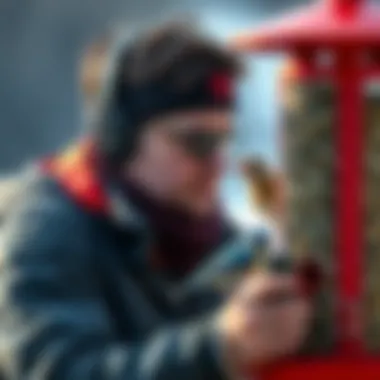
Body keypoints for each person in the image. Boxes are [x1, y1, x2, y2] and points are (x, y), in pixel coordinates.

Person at [0, 23, 312, 380]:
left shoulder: (212, 236)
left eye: (225, 142)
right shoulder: (44, 230)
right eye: (197, 143)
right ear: (119, 138)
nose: (218, 165)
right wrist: (219, 350)